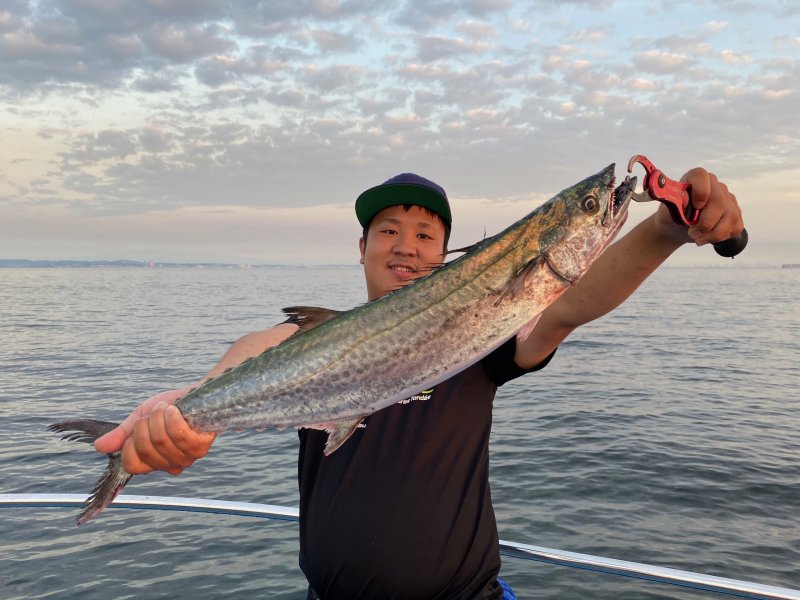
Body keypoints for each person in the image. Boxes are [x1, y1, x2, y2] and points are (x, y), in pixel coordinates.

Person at [94, 168, 744, 599]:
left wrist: (664, 228)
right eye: (389, 231)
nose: (406, 246)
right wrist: (185, 408)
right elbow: (255, 351)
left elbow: (570, 303)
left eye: (426, 235)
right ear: (362, 247)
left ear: (444, 255)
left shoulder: (485, 338)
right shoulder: (312, 340)